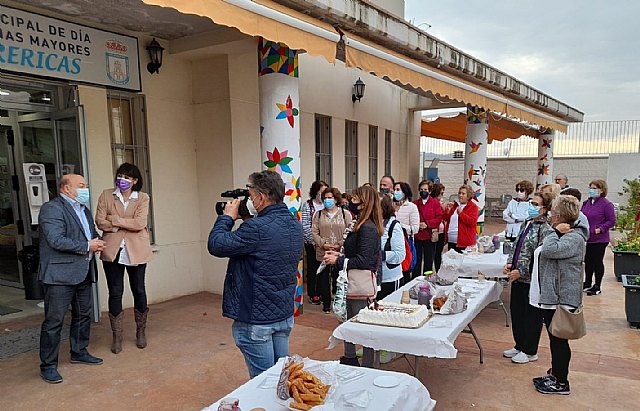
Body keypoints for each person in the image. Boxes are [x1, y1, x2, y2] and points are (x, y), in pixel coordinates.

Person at [208, 171, 303, 378]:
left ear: (261, 197)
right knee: (281, 377)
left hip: (256, 320)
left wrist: (226, 218)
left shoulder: (256, 229)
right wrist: (247, 218)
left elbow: (216, 245)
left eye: (250, 196)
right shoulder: (294, 224)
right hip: (283, 315)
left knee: (263, 382)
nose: (248, 201)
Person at [38, 174, 106, 384]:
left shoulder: (83, 209)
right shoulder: (52, 208)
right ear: (66, 188)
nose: (86, 189)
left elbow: (91, 234)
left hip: (83, 271)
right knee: (54, 321)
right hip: (60, 276)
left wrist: (99, 241)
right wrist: (87, 246)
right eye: (81, 185)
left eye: (86, 185)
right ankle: (48, 365)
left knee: (83, 315)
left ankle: (79, 351)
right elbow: (56, 240)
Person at [531, 195, 588, 395]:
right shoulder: (563, 234)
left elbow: (549, 250)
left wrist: (554, 232)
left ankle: (561, 382)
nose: (551, 216)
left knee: (559, 341)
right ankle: (555, 374)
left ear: (560, 216)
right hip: (553, 297)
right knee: (555, 340)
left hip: (562, 298)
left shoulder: (574, 237)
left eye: (554, 213)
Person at [95, 163, 153, 354]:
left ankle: (141, 332)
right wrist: (123, 224)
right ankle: (117, 336)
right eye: (120, 176)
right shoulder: (106, 195)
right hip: (113, 249)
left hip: (136, 249)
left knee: (139, 290)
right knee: (115, 292)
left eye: (127, 177)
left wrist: (115, 220)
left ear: (135, 180)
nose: (123, 180)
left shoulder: (142, 197)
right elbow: (100, 221)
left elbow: (140, 223)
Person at [324, 185, 383, 367]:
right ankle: (350, 357)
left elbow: (364, 260)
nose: (350, 202)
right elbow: (355, 253)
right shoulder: (359, 224)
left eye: (355, 199)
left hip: (360, 285)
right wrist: (339, 255)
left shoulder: (368, 228)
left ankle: (367, 365)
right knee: (348, 322)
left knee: (363, 327)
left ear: (364, 203)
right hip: (351, 282)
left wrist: (339, 260)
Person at [502, 192, 554, 365]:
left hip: (531, 280)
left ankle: (530, 350)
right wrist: (510, 263)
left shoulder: (545, 229)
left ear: (545, 209)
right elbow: (517, 246)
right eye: (531, 202)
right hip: (517, 276)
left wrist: (523, 271)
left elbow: (540, 257)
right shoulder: (527, 223)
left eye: (536, 204)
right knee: (516, 311)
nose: (532, 206)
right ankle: (519, 344)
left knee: (531, 315)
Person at [311, 188, 352, 313]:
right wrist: (323, 244)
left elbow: (350, 230)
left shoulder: (345, 214)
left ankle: (339, 302)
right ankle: (326, 304)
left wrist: (339, 244)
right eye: (325, 198)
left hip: (340, 252)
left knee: (339, 277)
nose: (327, 200)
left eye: (330, 198)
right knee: (324, 279)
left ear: (336, 199)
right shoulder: (318, 214)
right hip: (323, 251)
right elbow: (314, 231)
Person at [581, 179, 616, 296]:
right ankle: (587, 282)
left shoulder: (606, 204)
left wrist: (601, 228)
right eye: (590, 188)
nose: (592, 190)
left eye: (594, 188)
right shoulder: (586, 203)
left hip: (599, 239)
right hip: (587, 237)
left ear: (601, 190)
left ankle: (597, 286)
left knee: (597, 261)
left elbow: (611, 221)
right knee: (588, 261)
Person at [300, 180, 327, 305]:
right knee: (312, 268)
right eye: (322, 192)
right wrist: (314, 241)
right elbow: (305, 225)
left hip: (325, 243)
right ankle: (313, 293)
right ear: (316, 192)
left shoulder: (326, 206)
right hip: (312, 244)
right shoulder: (308, 205)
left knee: (324, 269)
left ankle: (322, 292)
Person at [412, 180, 442, 279]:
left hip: (429, 237)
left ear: (429, 191)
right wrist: (418, 225)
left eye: (425, 189)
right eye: (421, 189)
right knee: (416, 261)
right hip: (417, 236)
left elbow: (438, 218)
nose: (423, 191)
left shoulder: (435, 203)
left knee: (428, 261)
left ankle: (427, 280)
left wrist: (427, 224)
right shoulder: (415, 204)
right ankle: (415, 280)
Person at [378, 195, 406, 300]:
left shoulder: (393, 225)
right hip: (373, 279)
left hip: (390, 278)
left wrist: (381, 255)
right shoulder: (372, 223)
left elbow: (400, 254)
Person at [393, 181, 420, 282]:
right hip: (391, 243)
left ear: (405, 192)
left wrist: (399, 225)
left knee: (405, 270)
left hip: (405, 243)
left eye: (398, 190)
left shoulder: (411, 207)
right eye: (394, 190)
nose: (395, 192)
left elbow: (415, 228)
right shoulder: (391, 205)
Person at [443, 185, 479, 252]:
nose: (460, 195)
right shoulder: (455, 206)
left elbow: (472, 222)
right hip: (451, 241)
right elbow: (445, 218)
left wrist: (461, 214)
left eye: (463, 193)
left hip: (464, 243)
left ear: (468, 196)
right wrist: (447, 211)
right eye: (459, 193)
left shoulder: (473, 207)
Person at [429, 183, 447, 272]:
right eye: (441, 193)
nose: (442, 196)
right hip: (434, 231)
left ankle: (439, 271)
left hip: (442, 231)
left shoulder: (441, 203)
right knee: (432, 253)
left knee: (438, 253)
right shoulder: (432, 202)